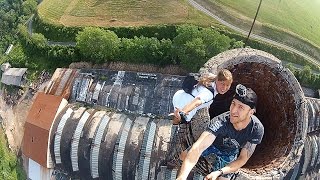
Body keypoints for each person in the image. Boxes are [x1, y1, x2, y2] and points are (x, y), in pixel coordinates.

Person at [176, 84, 264, 180]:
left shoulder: (256, 129)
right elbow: (197, 148)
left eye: (241, 107)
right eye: (233, 103)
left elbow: (243, 158)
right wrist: (182, 177)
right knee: (183, 156)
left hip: (229, 152)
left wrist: (220, 172)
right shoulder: (220, 121)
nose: (233, 110)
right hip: (212, 144)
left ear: (251, 112)